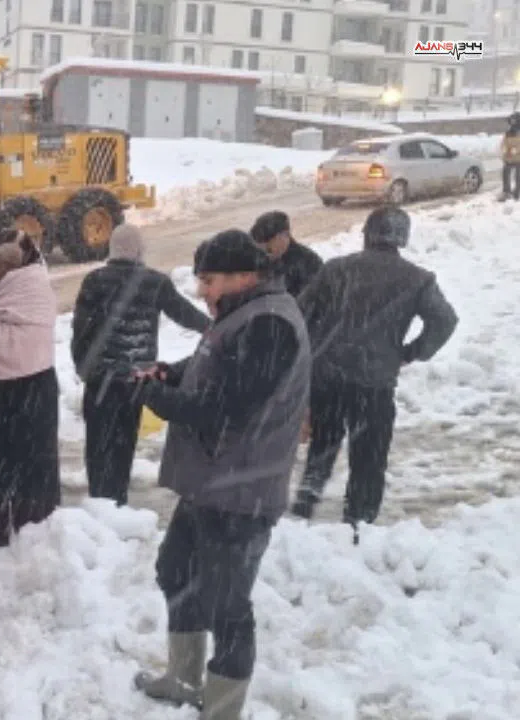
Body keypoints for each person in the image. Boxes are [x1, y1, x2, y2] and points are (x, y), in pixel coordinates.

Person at [131, 230, 311, 720]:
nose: (201, 292)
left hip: (242, 491)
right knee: (177, 572)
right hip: (212, 483)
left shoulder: (269, 323)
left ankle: (223, 710)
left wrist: (162, 401)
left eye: (208, 281)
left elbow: (230, 406)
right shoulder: (243, 314)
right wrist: (171, 372)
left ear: (242, 276)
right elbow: (214, 364)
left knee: (227, 605)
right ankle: (186, 679)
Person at [290, 206, 458, 527]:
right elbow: (445, 320)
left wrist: (312, 353)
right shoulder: (418, 279)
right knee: (368, 459)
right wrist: (410, 353)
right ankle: (358, 524)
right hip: (375, 384)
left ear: (367, 234)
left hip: (329, 377)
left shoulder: (336, 270)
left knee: (322, 447)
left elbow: (301, 313)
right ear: (402, 238)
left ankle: (304, 507)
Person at [70, 224, 209, 506]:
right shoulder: (154, 282)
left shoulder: (95, 281)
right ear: (139, 249)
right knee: (123, 446)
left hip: (102, 380)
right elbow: (185, 314)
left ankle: (101, 503)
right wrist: (217, 329)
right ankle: (118, 500)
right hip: (137, 381)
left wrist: (85, 369)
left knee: (99, 448)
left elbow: (80, 331)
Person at [0, 230, 60, 547]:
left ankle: (28, 527)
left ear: (9, 266)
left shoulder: (33, 290)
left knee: (22, 459)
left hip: (26, 385)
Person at [248, 211, 323, 298]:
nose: (265, 255)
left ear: (284, 237)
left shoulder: (308, 262)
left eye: (269, 250)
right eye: (259, 250)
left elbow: (313, 300)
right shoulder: (252, 257)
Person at [502, 112, 520, 201]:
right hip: (508, 157)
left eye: (514, 120)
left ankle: (517, 192)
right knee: (506, 173)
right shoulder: (508, 132)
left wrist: (516, 150)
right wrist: (504, 149)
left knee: (518, 175)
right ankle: (506, 191)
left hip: (518, 158)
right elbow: (504, 142)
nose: (512, 122)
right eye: (511, 120)